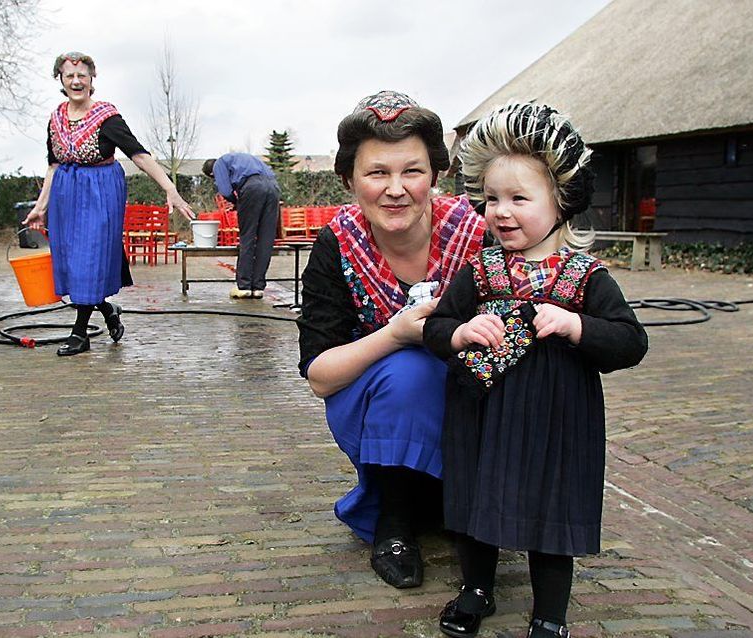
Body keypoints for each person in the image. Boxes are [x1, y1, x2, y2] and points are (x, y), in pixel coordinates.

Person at [423, 103, 649, 638]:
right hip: (481, 411)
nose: (501, 211)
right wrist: (459, 333)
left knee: (552, 512)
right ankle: (475, 590)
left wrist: (576, 327)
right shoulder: (480, 271)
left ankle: (550, 613)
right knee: (476, 502)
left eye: (519, 199)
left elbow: (630, 341)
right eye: (492, 199)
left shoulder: (584, 277)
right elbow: (438, 327)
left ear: (561, 201)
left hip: (557, 421)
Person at [296, 90, 486, 589]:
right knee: (409, 370)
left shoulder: (475, 235)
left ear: (436, 176)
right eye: (377, 173)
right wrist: (397, 333)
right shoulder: (337, 244)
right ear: (350, 180)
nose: (396, 189)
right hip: (376, 398)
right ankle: (394, 521)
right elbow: (319, 376)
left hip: (467, 393)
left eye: (413, 171)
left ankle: (467, 496)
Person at [24, 51, 195, 356]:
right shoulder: (55, 119)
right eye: (69, 76)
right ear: (60, 80)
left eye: (82, 75)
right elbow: (52, 166)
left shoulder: (107, 117)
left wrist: (171, 189)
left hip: (100, 192)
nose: (76, 81)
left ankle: (79, 333)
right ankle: (107, 308)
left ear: (92, 80)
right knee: (72, 262)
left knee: (90, 258)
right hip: (66, 194)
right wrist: (41, 206)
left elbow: (139, 155)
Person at [201, 153, 281, 299]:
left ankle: (244, 286)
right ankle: (258, 287)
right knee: (266, 239)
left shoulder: (219, 163)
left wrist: (237, 202)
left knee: (248, 237)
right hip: (274, 188)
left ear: (212, 173)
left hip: (252, 188)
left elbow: (225, 190)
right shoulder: (243, 159)